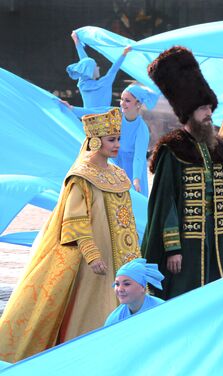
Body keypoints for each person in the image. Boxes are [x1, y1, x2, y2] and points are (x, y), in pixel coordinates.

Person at [0, 108, 141, 362]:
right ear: (95, 140)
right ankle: (86, 358)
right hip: (93, 262)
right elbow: (74, 220)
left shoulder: (118, 174)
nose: (118, 144)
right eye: (112, 139)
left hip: (122, 257)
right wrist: (91, 252)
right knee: (91, 308)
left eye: (119, 138)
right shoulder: (81, 177)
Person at [140, 46, 223, 300]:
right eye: (203, 109)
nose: (208, 114)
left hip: (218, 239)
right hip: (187, 244)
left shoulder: (220, 149)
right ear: (188, 113)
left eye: (210, 108)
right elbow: (165, 204)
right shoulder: (173, 149)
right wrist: (173, 248)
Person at [113, 83, 159, 196]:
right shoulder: (116, 114)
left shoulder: (141, 129)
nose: (122, 103)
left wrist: (136, 179)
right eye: (122, 99)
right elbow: (95, 111)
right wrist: (72, 109)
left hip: (133, 170)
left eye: (127, 100)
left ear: (138, 104)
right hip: (116, 164)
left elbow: (139, 156)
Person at [66, 31, 131, 108]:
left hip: (87, 118)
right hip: (104, 119)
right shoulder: (104, 83)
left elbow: (85, 63)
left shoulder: (82, 84)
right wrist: (124, 53)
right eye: (96, 66)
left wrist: (76, 41)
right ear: (91, 71)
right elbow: (114, 69)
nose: (98, 67)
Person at [104, 258, 165, 326]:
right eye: (117, 284)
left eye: (127, 284)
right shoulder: (114, 320)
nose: (120, 289)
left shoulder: (162, 310)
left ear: (143, 287)